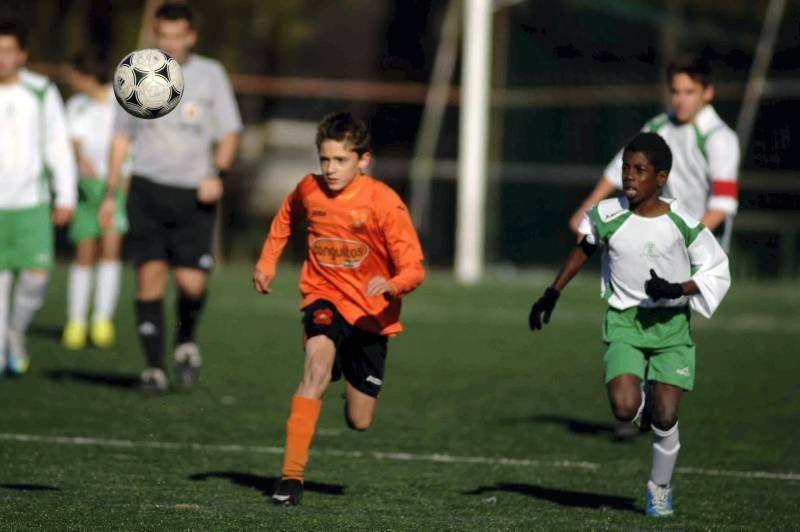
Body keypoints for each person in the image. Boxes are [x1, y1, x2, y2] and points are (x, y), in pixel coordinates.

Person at [529, 133, 730, 517]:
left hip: (671, 329)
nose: (629, 178)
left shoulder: (682, 222)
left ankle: (659, 487)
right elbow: (584, 246)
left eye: (640, 170)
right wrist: (552, 292)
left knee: (666, 416)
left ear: (661, 177)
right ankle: (640, 405)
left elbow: (717, 270)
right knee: (624, 409)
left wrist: (676, 287)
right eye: (625, 169)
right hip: (625, 323)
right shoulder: (607, 214)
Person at [252, 112, 425, 506]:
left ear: (363, 160)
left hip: (371, 315)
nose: (330, 169)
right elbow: (285, 218)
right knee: (314, 369)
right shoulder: (309, 190)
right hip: (323, 297)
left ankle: (343, 365)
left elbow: (415, 267)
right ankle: (290, 478)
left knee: (359, 421)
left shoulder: (384, 203)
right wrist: (267, 262)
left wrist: (393, 284)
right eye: (324, 160)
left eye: (340, 161)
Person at [100, 2, 242, 392]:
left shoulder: (211, 74)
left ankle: (186, 339)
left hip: (196, 194)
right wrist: (111, 193)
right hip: (146, 188)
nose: (171, 44)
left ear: (191, 37)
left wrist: (218, 174)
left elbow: (229, 133)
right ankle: (154, 369)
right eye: (164, 36)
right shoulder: (134, 71)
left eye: (178, 36)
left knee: (192, 284)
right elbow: (119, 137)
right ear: (155, 35)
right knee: (149, 279)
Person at [568, 54, 740, 241]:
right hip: (666, 236)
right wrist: (588, 210)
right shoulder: (659, 126)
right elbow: (621, 167)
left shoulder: (720, 138)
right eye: (675, 92)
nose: (681, 100)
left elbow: (723, 204)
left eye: (689, 92)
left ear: (707, 92)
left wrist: (687, 241)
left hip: (705, 244)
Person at [0, 20, 77, 377]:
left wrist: (66, 194)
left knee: (36, 277)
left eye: (7, 51)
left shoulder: (41, 91)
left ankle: (16, 333)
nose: (1, 59)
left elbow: (57, 145)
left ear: (21, 55)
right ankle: (2, 348)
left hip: (32, 203)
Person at [62, 50, 128, 350]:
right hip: (85, 188)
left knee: (111, 248)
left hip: (114, 187)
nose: (71, 80)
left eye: (75, 74)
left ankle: (102, 320)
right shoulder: (76, 106)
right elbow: (71, 142)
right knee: (84, 250)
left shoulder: (121, 105)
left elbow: (128, 146)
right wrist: (79, 160)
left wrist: (119, 186)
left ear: (87, 75)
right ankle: (76, 321)